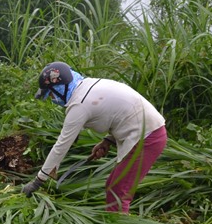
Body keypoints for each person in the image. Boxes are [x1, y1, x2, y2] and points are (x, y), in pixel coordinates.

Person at [22, 62, 168, 213]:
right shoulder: (88, 85)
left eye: (51, 94)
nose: (52, 99)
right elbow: (121, 112)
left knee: (118, 192)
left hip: (147, 138)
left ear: (61, 87)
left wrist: (38, 181)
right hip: (149, 131)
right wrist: (108, 140)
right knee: (113, 186)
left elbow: (61, 146)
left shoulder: (79, 105)